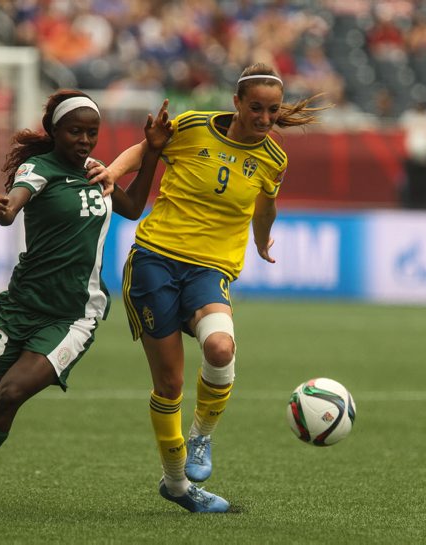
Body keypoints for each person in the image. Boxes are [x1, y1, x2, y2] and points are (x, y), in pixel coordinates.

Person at [0, 89, 172, 515]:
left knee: (8, 396)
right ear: (54, 131)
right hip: (19, 307)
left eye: (91, 133)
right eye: (75, 131)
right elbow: (17, 198)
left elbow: (134, 207)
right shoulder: (38, 168)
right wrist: (6, 210)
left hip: (73, 316)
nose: (84, 140)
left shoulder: (96, 172)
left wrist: (152, 151)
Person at [106, 62, 322, 513]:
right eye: (256, 108)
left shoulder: (273, 158)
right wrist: (111, 173)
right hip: (154, 261)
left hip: (211, 270)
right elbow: (142, 150)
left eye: (272, 111)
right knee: (169, 385)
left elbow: (266, 208)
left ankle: (201, 435)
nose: (264, 119)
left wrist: (262, 242)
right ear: (237, 103)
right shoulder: (191, 127)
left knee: (221, 349)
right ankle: (177, 485)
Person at [399, 100, 426, 209]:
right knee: (412, 186)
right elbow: (400, 135)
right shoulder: (407, 117)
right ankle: (411, 206)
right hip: (411, 160)